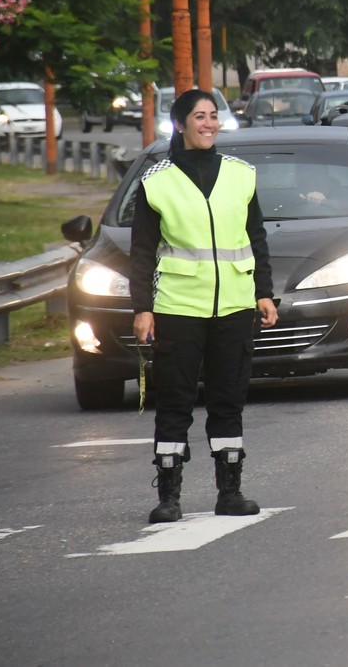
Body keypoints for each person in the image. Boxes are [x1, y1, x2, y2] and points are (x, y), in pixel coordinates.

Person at [129, 89, 278, 523]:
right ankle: (169, 496)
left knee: (228, 399)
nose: (209, 123)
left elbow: (256, 238)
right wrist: (143, 308)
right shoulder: (157, 180)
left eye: (214, 116)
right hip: (178, 307)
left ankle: (229, 492)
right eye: (200, 116)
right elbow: (142, 251)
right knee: (175, 400)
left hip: (234, 306)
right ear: (180, 123)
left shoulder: (241, 175)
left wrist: (263, 293)